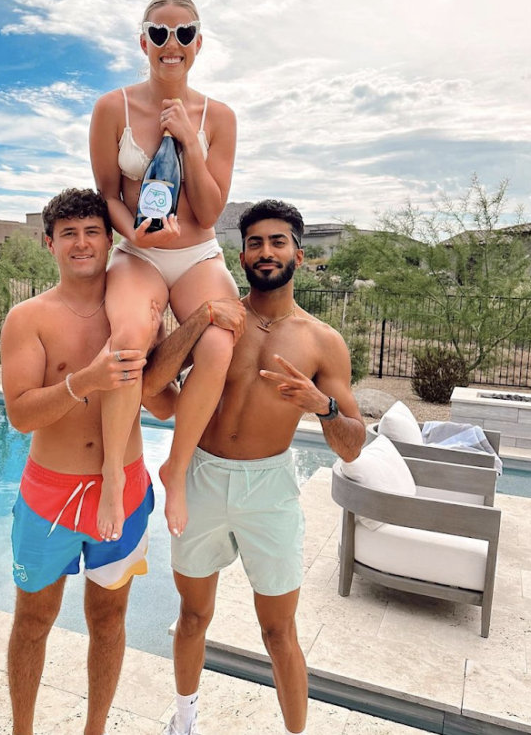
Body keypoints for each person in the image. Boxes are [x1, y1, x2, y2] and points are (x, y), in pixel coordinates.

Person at [142, 200, 366, 735]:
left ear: (299, 254)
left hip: (270, 489)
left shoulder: (321, 342)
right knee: (193, 617)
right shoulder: (221, 321)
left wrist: (323, 406)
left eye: (278, 242)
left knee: (279, 632)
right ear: (241, 255)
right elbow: (153, 386)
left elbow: (353, 446)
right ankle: (184, 721)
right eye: (256, 243)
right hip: (202, 476)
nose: (266, 252)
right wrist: (197, 319)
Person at [1, 188, 179, 735]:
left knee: (109, 619)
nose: (82, 243)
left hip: (122, 489)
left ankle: (95, 729)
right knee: (33, 620)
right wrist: (85, 380)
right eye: (69, 233)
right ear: (48, 242)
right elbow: (21, 415)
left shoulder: (134, 313)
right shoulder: (29, 318)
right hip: (49, 494)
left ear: (110, 240)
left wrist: (181, 334)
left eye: (92, 231)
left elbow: (166, 404)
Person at [89, 0, 238, 544]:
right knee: (128, 337)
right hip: (139, 250)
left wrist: (188, 143)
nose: (169, 45)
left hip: (197, 252)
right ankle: (111, 473)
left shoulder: (219, 116)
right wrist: (137, 233)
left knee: (220, 345)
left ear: (198, 43)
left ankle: (175, 469)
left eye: (182, 34)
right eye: (158, 33)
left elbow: (212, 210)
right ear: (143, 41)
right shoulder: (113, 108)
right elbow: (107, 193)